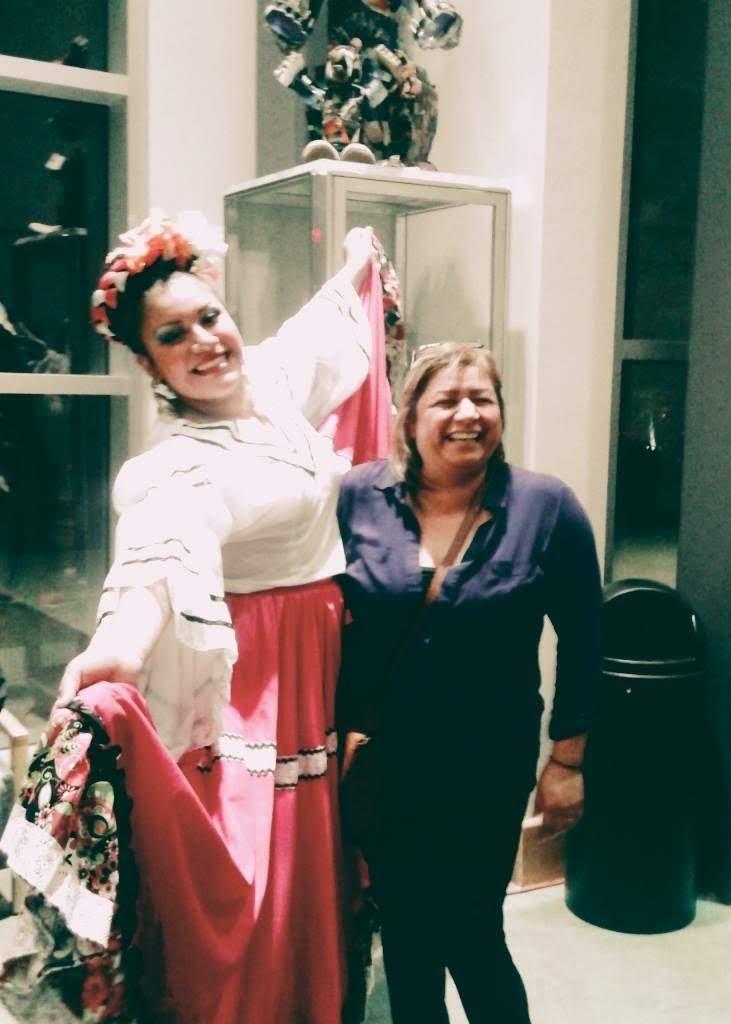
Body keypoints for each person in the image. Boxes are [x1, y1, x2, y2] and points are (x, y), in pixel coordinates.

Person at [0, 211, 385, 1024]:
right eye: (174, 336)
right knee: (257, 867)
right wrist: (120, 645)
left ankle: (312, 996)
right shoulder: (178, 466)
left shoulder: (272, 383)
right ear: (149, 363)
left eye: (210, 316)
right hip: (263, 675)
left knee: (312, 854)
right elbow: (163, 551)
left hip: (322, 657)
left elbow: (318, 335)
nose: (205, 341)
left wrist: (359, 260)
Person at [336, 341, 603, 1024]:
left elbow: (585, 639)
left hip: (487, 765)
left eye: (482, 399)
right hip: (384, 763)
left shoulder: (547, 507)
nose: (467, 414)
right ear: (410, 416)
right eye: (447, 400)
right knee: (405, 933)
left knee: (472, 930)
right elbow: (322, 618)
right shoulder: (357, 497)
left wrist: (567, 762)